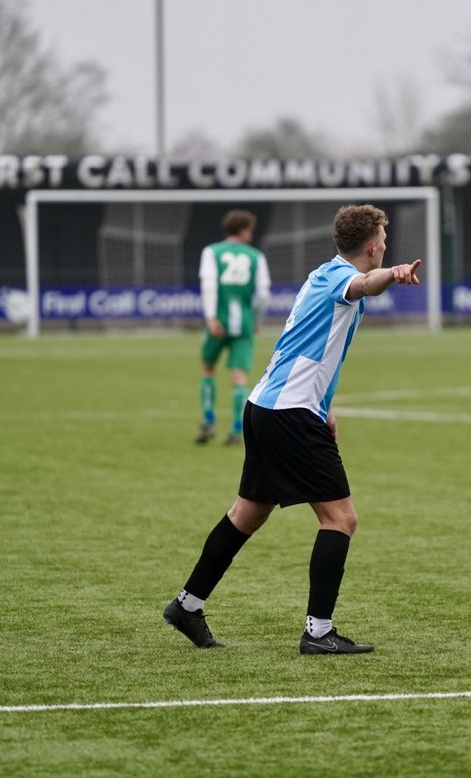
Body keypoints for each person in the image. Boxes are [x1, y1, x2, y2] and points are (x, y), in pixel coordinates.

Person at [165, 204, 422, 655]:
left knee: (249, 513)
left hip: (267, 406)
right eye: (383, 238)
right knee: (340, 519)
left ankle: (186, 605)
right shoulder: (346, 278)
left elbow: (311, 348)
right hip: (289, 412)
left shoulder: (321, 274)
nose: (385, 243)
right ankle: (318, 632)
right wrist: (395, 274)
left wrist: (326, 406)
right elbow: (365, 285)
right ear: (373, 246)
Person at [197, 210, 271, 445]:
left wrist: (210, 317)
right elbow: (262, 295)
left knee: (208, 368)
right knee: (239, 376)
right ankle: (237, 430)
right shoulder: (255, 256)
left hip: (217, 320)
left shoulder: (211, 252)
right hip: (244, 323)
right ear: (242, 231)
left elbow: (209, 285)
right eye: (249, 229)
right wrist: (257, 319)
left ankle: (208, 421)